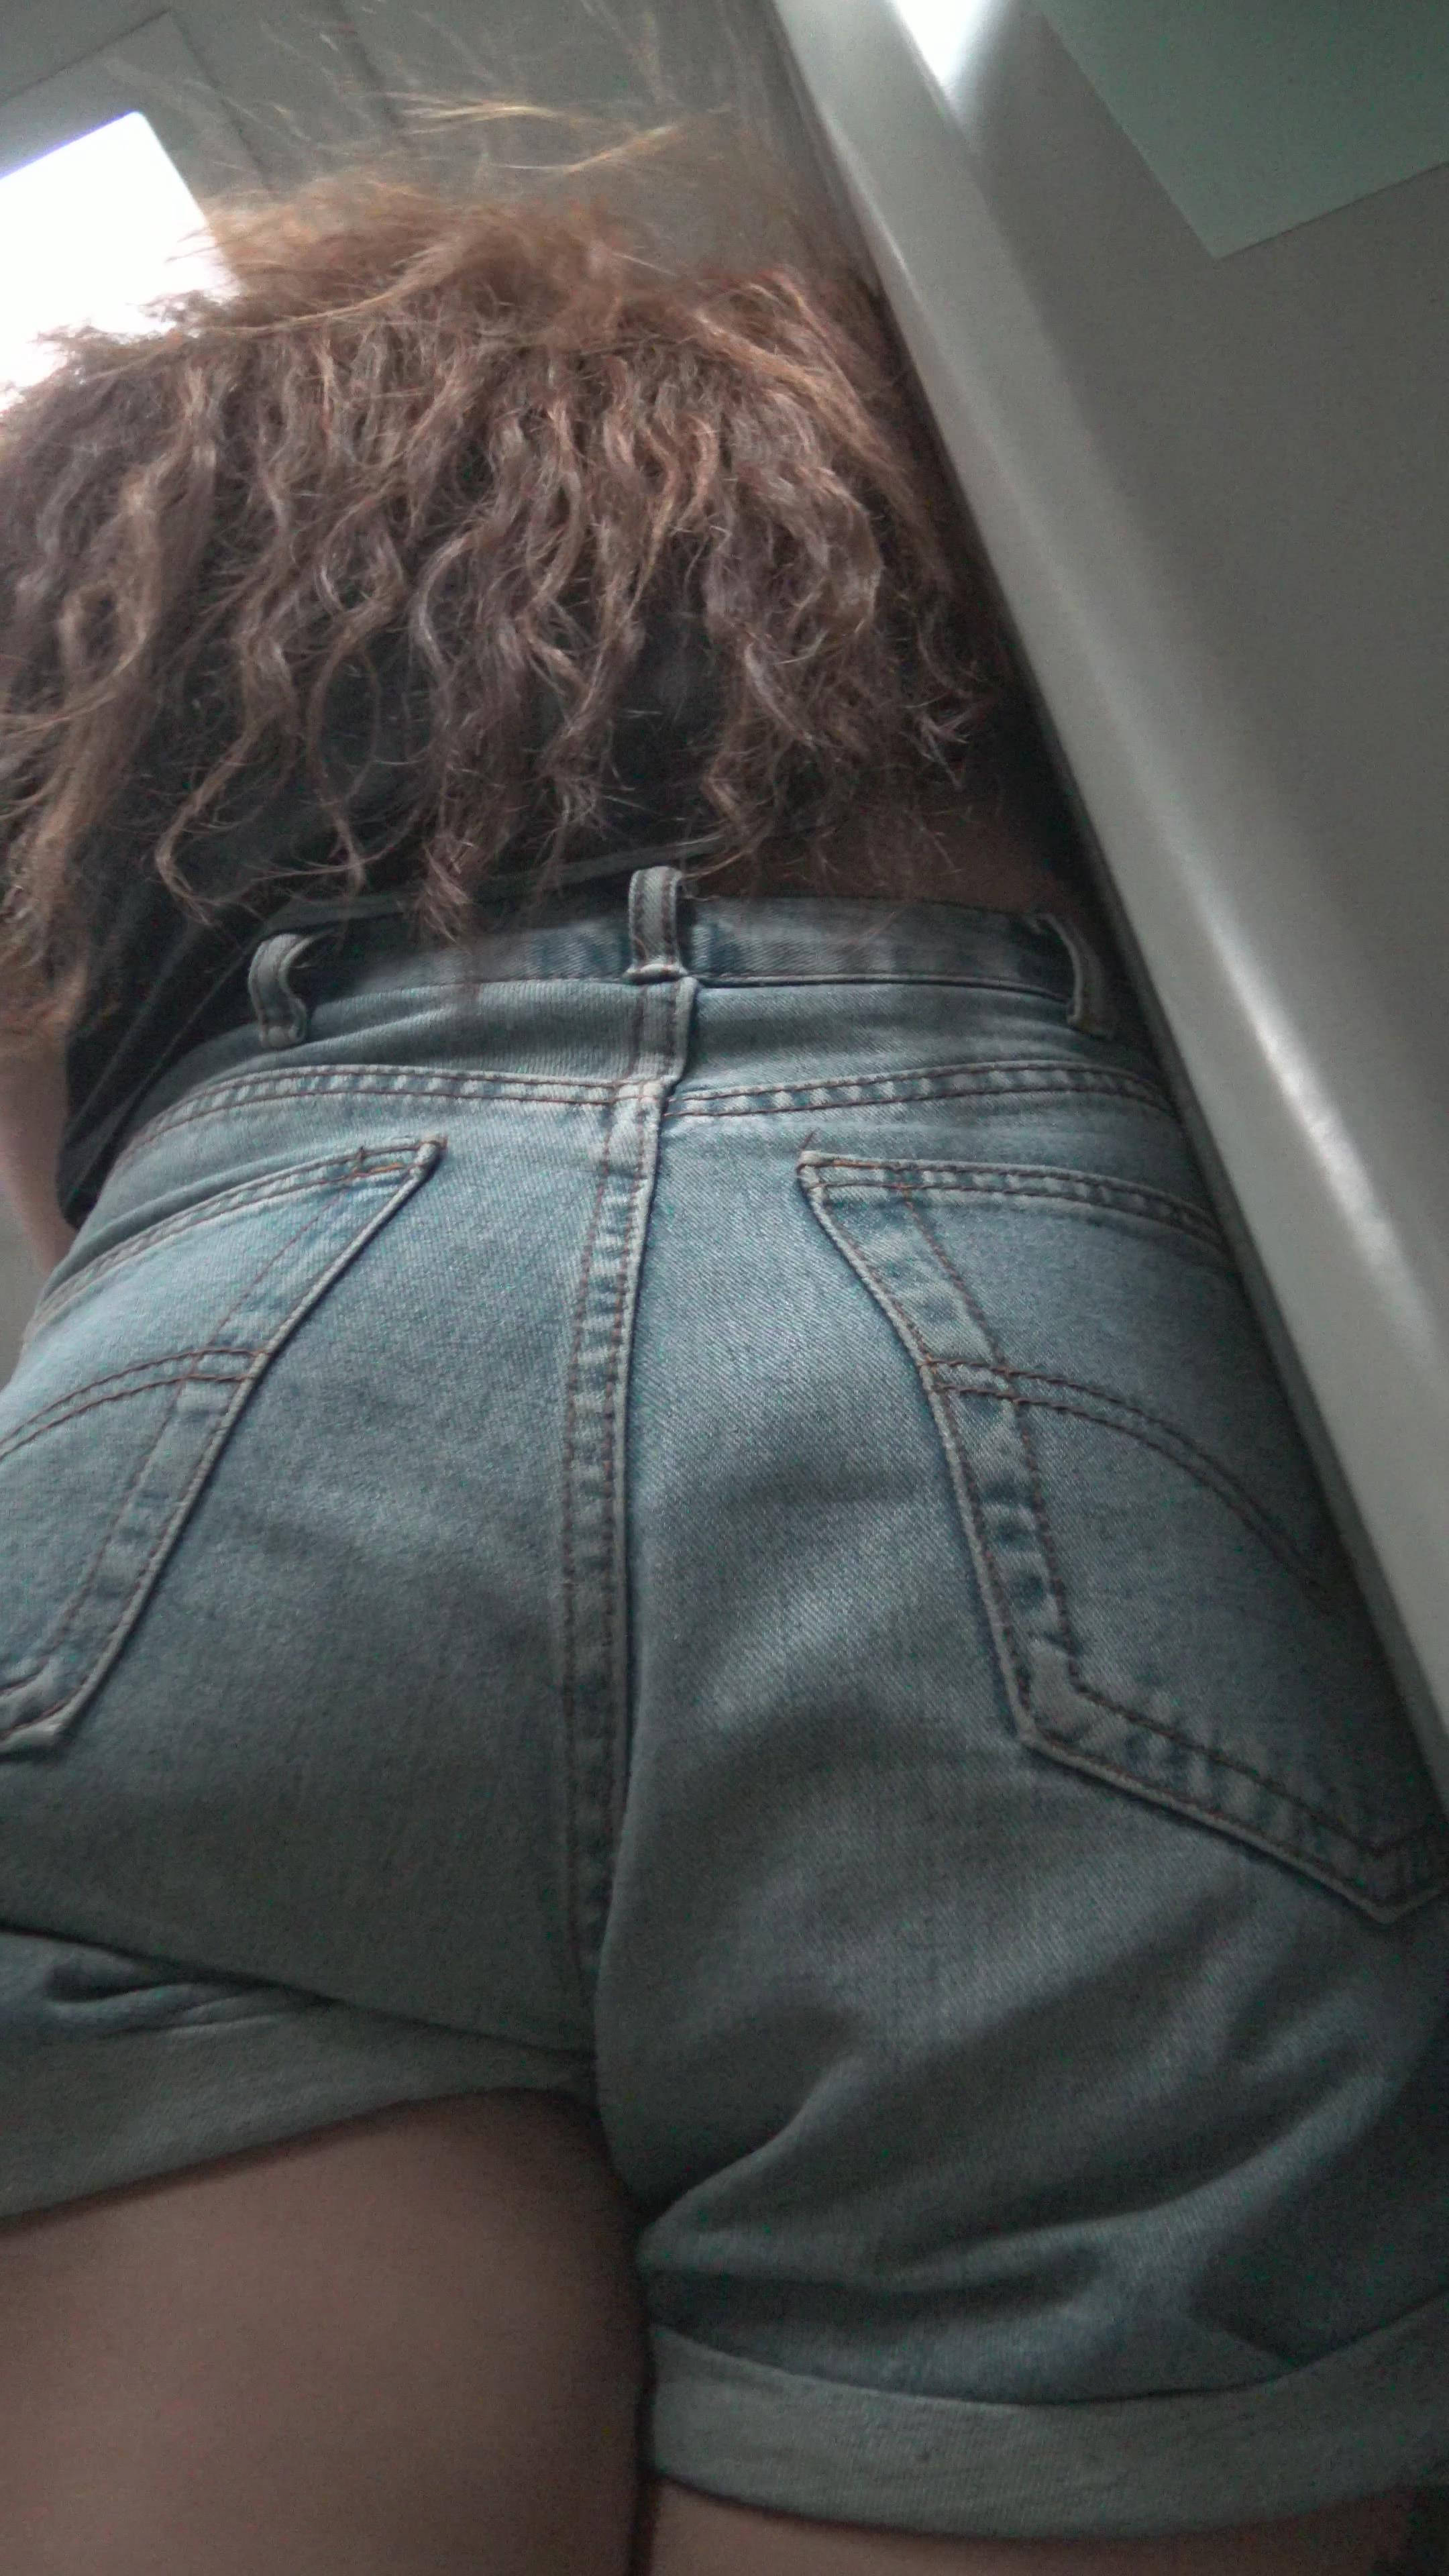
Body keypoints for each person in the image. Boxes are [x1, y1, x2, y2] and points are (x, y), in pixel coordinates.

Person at [0, 105, 1444, 2576]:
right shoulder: (957, 484)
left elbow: (32, 1129)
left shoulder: (97, 539)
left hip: (234, 1363)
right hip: (985, 1327)